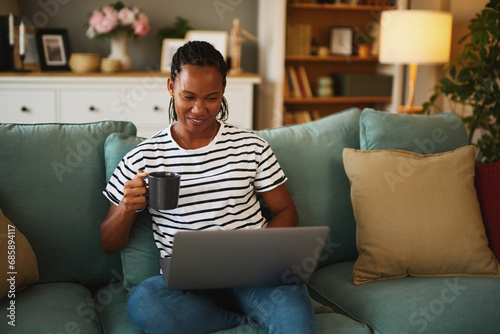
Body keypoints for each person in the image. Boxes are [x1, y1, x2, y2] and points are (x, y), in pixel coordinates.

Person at [100, 41, 318, 334]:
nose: (199, 109)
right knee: (145, 301)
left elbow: (286, 211)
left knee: (293, 306)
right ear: (170, 87)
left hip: (253, 274)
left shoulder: (251, 146)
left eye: (212, 98)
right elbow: (107, 242)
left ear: (224, 90)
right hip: (186, 286)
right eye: (188, 96)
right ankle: (245, 324)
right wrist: (127, 207)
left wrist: (264, 254)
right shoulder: (143, 157)